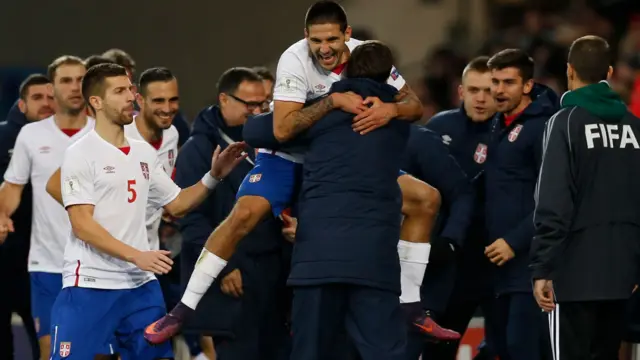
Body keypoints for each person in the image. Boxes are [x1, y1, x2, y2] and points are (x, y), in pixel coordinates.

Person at [146, 1, 453, 344]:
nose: (324, 49)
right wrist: (333, 102)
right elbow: (282, 129)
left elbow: (413, 105)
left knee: (427, 199)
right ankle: (182, 310)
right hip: (287, 157)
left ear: (346, 35)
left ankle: (410, 306)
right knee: (244, 215)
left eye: (332, 40)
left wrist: (390, 108)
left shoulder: (366, 56)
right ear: (305, 36)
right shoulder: (294, 59)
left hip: (341, 159)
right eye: (316, 40)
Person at [46, 63, 246, 359]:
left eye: (130, 89)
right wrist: (136, 254)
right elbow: (82, 226)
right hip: (90, 284)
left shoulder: (142, 152)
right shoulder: (80, 153)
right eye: (120, 91)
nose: (131, 96)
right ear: (97, 102)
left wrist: (213, 176)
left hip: (141, 287)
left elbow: (177, 203)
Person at [531, 35, 640, 360]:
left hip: (573, 274)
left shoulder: (564, 124)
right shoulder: (635, 127)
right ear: (609, 71)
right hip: (623, 274)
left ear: (569, 71)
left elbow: (553, 200)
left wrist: (542, 267)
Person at [0, 56, 92, 360]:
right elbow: (13, 187)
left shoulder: (105, 134)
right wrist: (1, 215)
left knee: (95, 352)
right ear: (52, 88)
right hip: (46, 266)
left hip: (97, 266)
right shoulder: (31, 136)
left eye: (81, 79)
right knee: (50, 351)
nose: (75, 87)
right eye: (66, 80)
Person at [483, 49, 557, 360]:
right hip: (496, 264)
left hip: (529, 263)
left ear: (527, 85)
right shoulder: (498, 123)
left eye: (509, 82)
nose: (499, 90)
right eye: (495, 82)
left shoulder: (543, 128)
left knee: (523, 348)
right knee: (501, 349)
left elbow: (553, 195)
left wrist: (515, 240)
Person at [422, 56, 497, 360]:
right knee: (439, 347)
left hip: (494, 257)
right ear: (461, 91)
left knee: (506, 345)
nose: (481, 98)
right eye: (474, 89)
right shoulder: (438, 127)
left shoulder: (509, 134)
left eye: (488, 90)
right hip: (447, 260)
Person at [0, 74, 54, 360]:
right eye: (37, 98)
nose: (46, 104)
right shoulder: (3, 137)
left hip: (46, 260)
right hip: (4, 257)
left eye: (50, 98)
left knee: (46, 341)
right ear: (21, 105)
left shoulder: (72, 142)